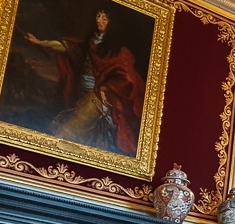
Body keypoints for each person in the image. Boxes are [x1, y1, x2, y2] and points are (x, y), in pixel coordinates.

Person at [24, 8, 145, 156]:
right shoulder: (90, 43)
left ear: (113, 23)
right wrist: (39, 42)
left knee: (66, 133)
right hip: (81, 93)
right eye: (98, 16)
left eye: (105, 18)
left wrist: (105, 88)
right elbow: (65, 47)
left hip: (99, 98)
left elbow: (128, 79)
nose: (99, 21)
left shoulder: (119, 51)